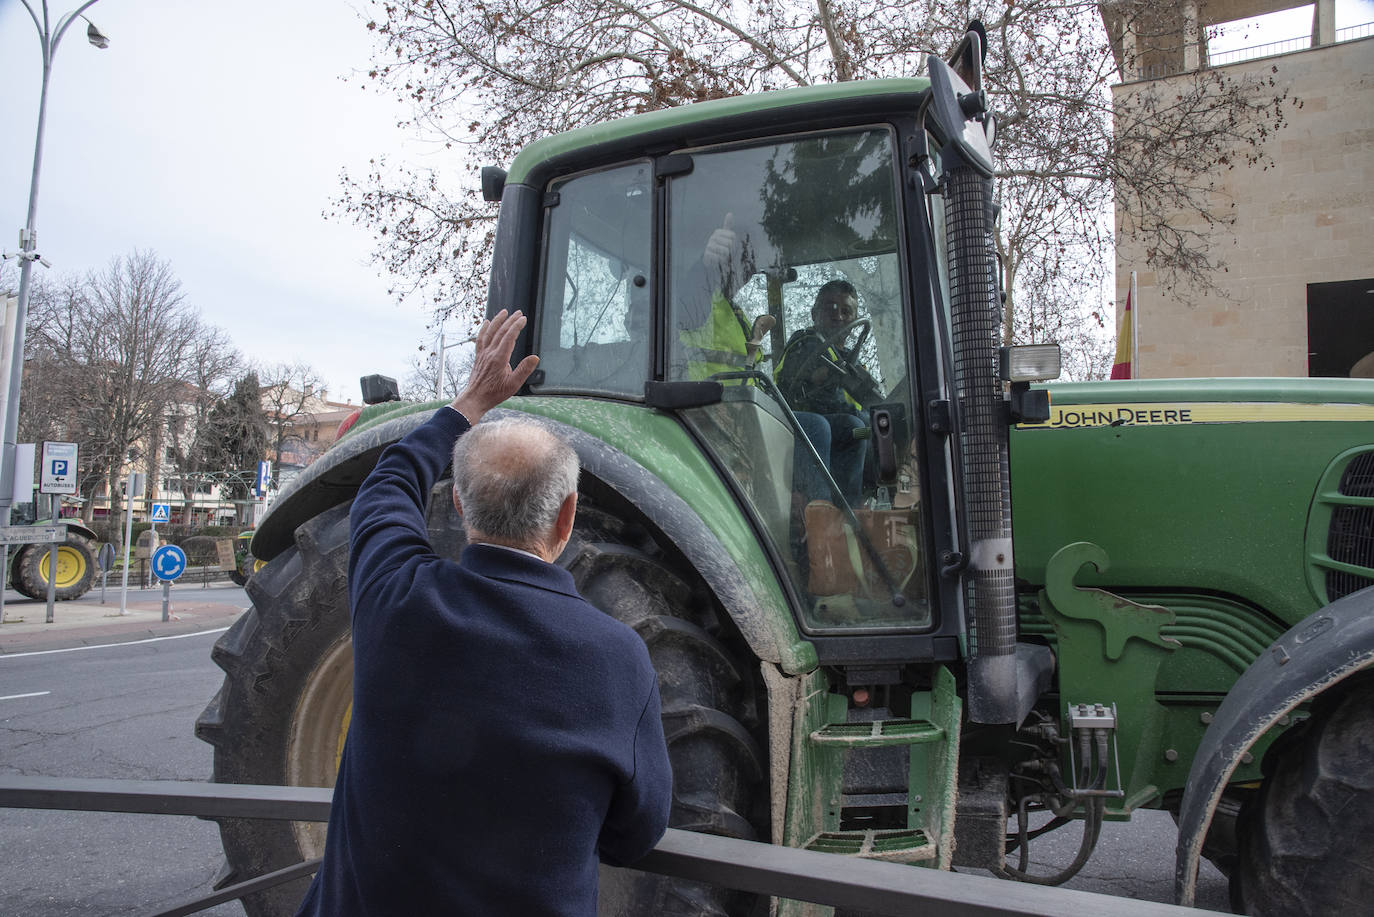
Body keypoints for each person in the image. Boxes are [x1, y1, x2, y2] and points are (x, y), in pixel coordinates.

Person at [296, 309, 673, 916]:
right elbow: (635, 834)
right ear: (567, 516)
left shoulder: (396, 599)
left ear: (461, 507)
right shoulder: (618, 658)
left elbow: (386, 485)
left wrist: (469, 402)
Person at [775, 280, 882, 505]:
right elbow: (815, 396)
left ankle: (852, 508)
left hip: (838, 429)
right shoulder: (805, 344)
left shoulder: (851, 362)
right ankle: (819, 507)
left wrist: (876, 422)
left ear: (855, 318)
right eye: (830, 308)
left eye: (846, 311)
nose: (839, 316)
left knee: (865, 430)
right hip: (791, 423)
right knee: (826, 425)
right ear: (815, 314)